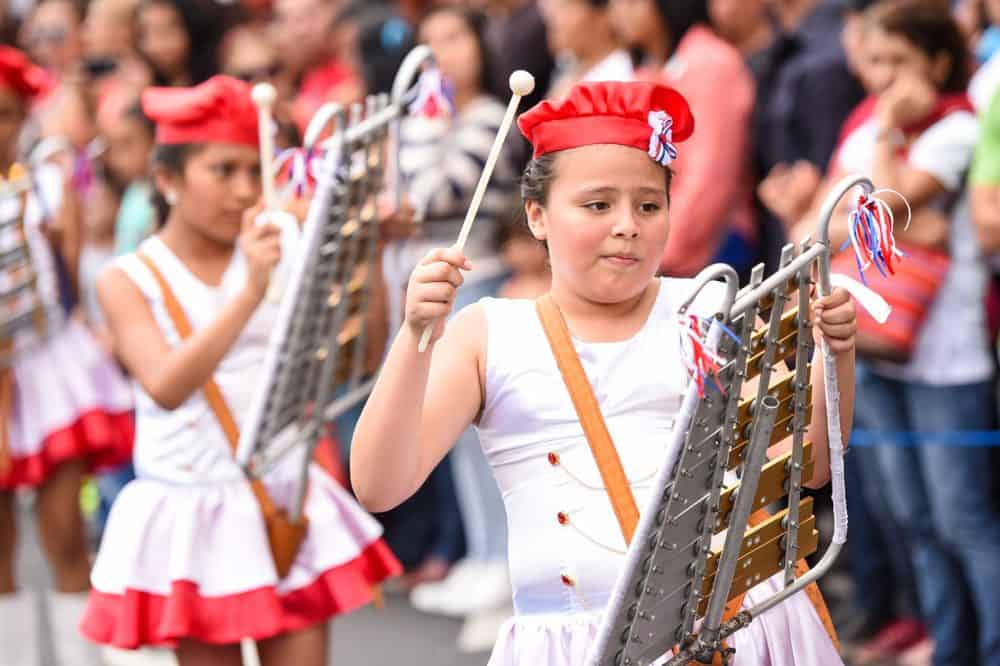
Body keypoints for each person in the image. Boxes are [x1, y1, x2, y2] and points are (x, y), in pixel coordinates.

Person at [351, 79, 856, 665]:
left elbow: (811, 466)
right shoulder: (488, 333)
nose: (627, 225)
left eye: (649, 204)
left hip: (736, 630)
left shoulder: (706, 306)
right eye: (597, 204)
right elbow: (379, 485)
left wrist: (833, 354)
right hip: (572, 644)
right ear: (537, 216)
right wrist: (415, 335)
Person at [79, 75, 400, 665]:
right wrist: (251, 291)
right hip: (191, 508)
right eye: (222, 171)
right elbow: (165, 386)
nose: (244, 191)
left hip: (281, 493)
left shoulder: (285, 246)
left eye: (256, 172)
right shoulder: (127, 278)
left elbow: (357, 361)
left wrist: (370, 252)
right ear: (167, 180)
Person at [784, 4, 1000, 665]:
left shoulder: (957, 124)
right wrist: (880, 212)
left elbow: (884, 201)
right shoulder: (864, 126)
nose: (884, 78)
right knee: (910, 517)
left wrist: (884, 150)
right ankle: (947, 643)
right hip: (874, 344)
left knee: (964, 520)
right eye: (875, 63)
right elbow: (815, 229)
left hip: (946, 355)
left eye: (900, 63)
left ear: (937, 63)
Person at [0, 45, 133, 666]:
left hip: (46, 372)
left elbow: (70, 279)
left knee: (65, 539)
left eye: (4, 112)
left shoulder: (48, 185)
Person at [610, 0, 757, 278]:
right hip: (645, 246)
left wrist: (660, 249)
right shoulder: (646, 71)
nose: (618, 12)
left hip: (711, 250)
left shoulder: (712, 64)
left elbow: (711, 175)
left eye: (630, 2)